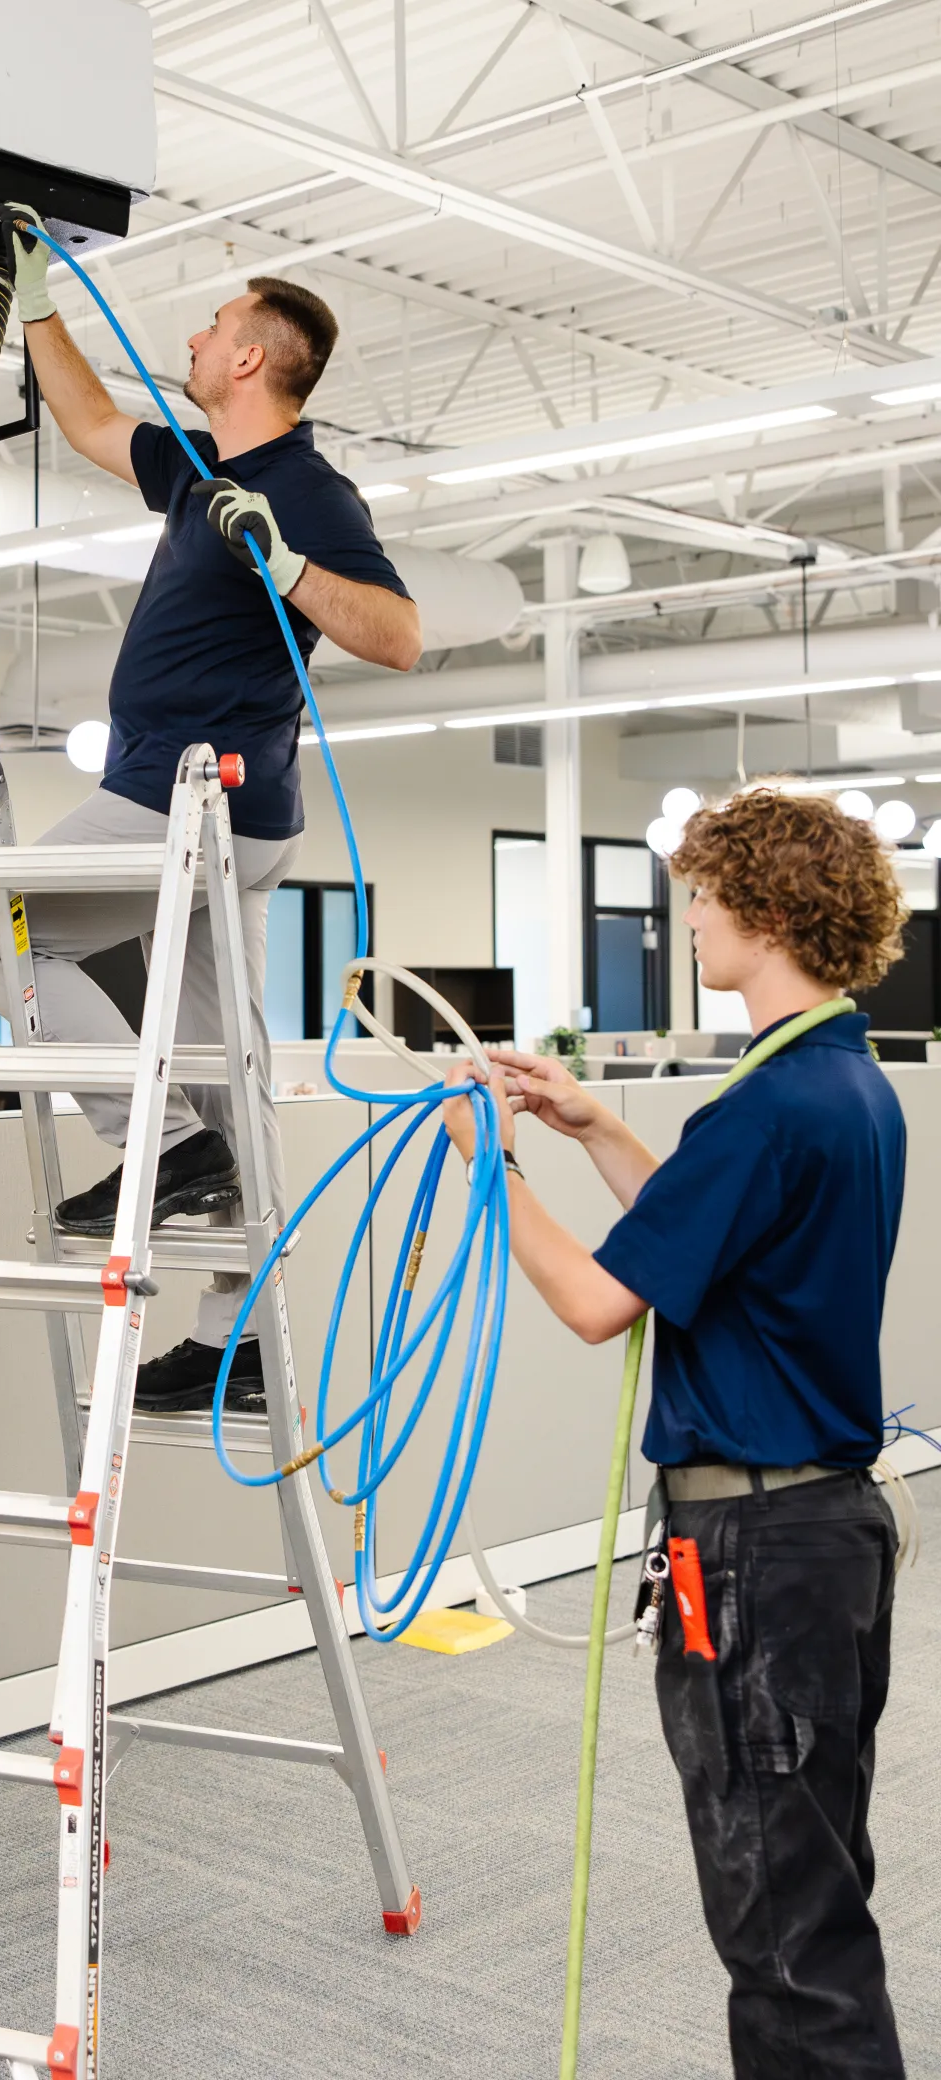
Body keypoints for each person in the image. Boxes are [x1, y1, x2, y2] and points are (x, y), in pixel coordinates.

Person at [443, 786, 909, 2079]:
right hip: (821, 1538)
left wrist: (489, 1171)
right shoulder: (842, 1081)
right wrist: (597, 1128)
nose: (689, 919)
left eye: (703, 896)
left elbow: (600, 1301)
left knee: (781, 1922)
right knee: (812, 1878)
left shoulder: (764, 1108)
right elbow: (717, 1248)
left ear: (763, 909)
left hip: (755, 1551)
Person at [0, 211, 421, 1412]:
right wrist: (38, 303)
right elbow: (91, 420)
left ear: (253, 361)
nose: (194, 337)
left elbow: (399, 636)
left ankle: (159, 1151)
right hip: (221, 812)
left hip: (191, 803)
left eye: (214, 329)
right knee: (229, 1072)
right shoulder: (202, 472)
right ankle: (241, 1342)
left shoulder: (303, 489)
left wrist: (286, 568)